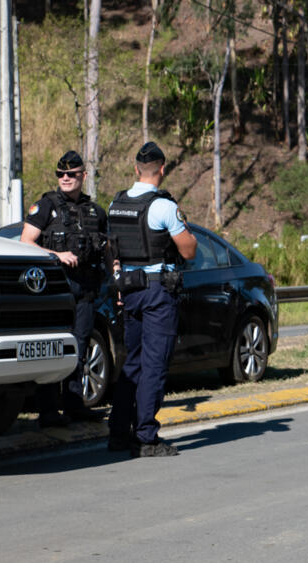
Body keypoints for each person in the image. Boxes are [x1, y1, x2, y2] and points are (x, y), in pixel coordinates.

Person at [106, 141, 197, 458]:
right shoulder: (163, 207)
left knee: (132, 364)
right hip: (158, 292)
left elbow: (112, 252)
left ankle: (119, 433)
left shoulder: (115, 205)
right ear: (162, 169)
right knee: (154, 366)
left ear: (135, 169)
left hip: (130, 290)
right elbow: (188, 250)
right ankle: (146, 437)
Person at [20, 150, 109, 427]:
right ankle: (48, 411)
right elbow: (25, 242)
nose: (66, 178)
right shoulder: (46, 205)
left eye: (71, 174)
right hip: (56, 288)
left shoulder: (95, 211)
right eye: (61, 174)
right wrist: (57, 256)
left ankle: (74, 405)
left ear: (83, 175)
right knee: (54, 347)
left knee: (79, 347)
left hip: (86, 288)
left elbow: (107, 249)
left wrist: (114, 275)